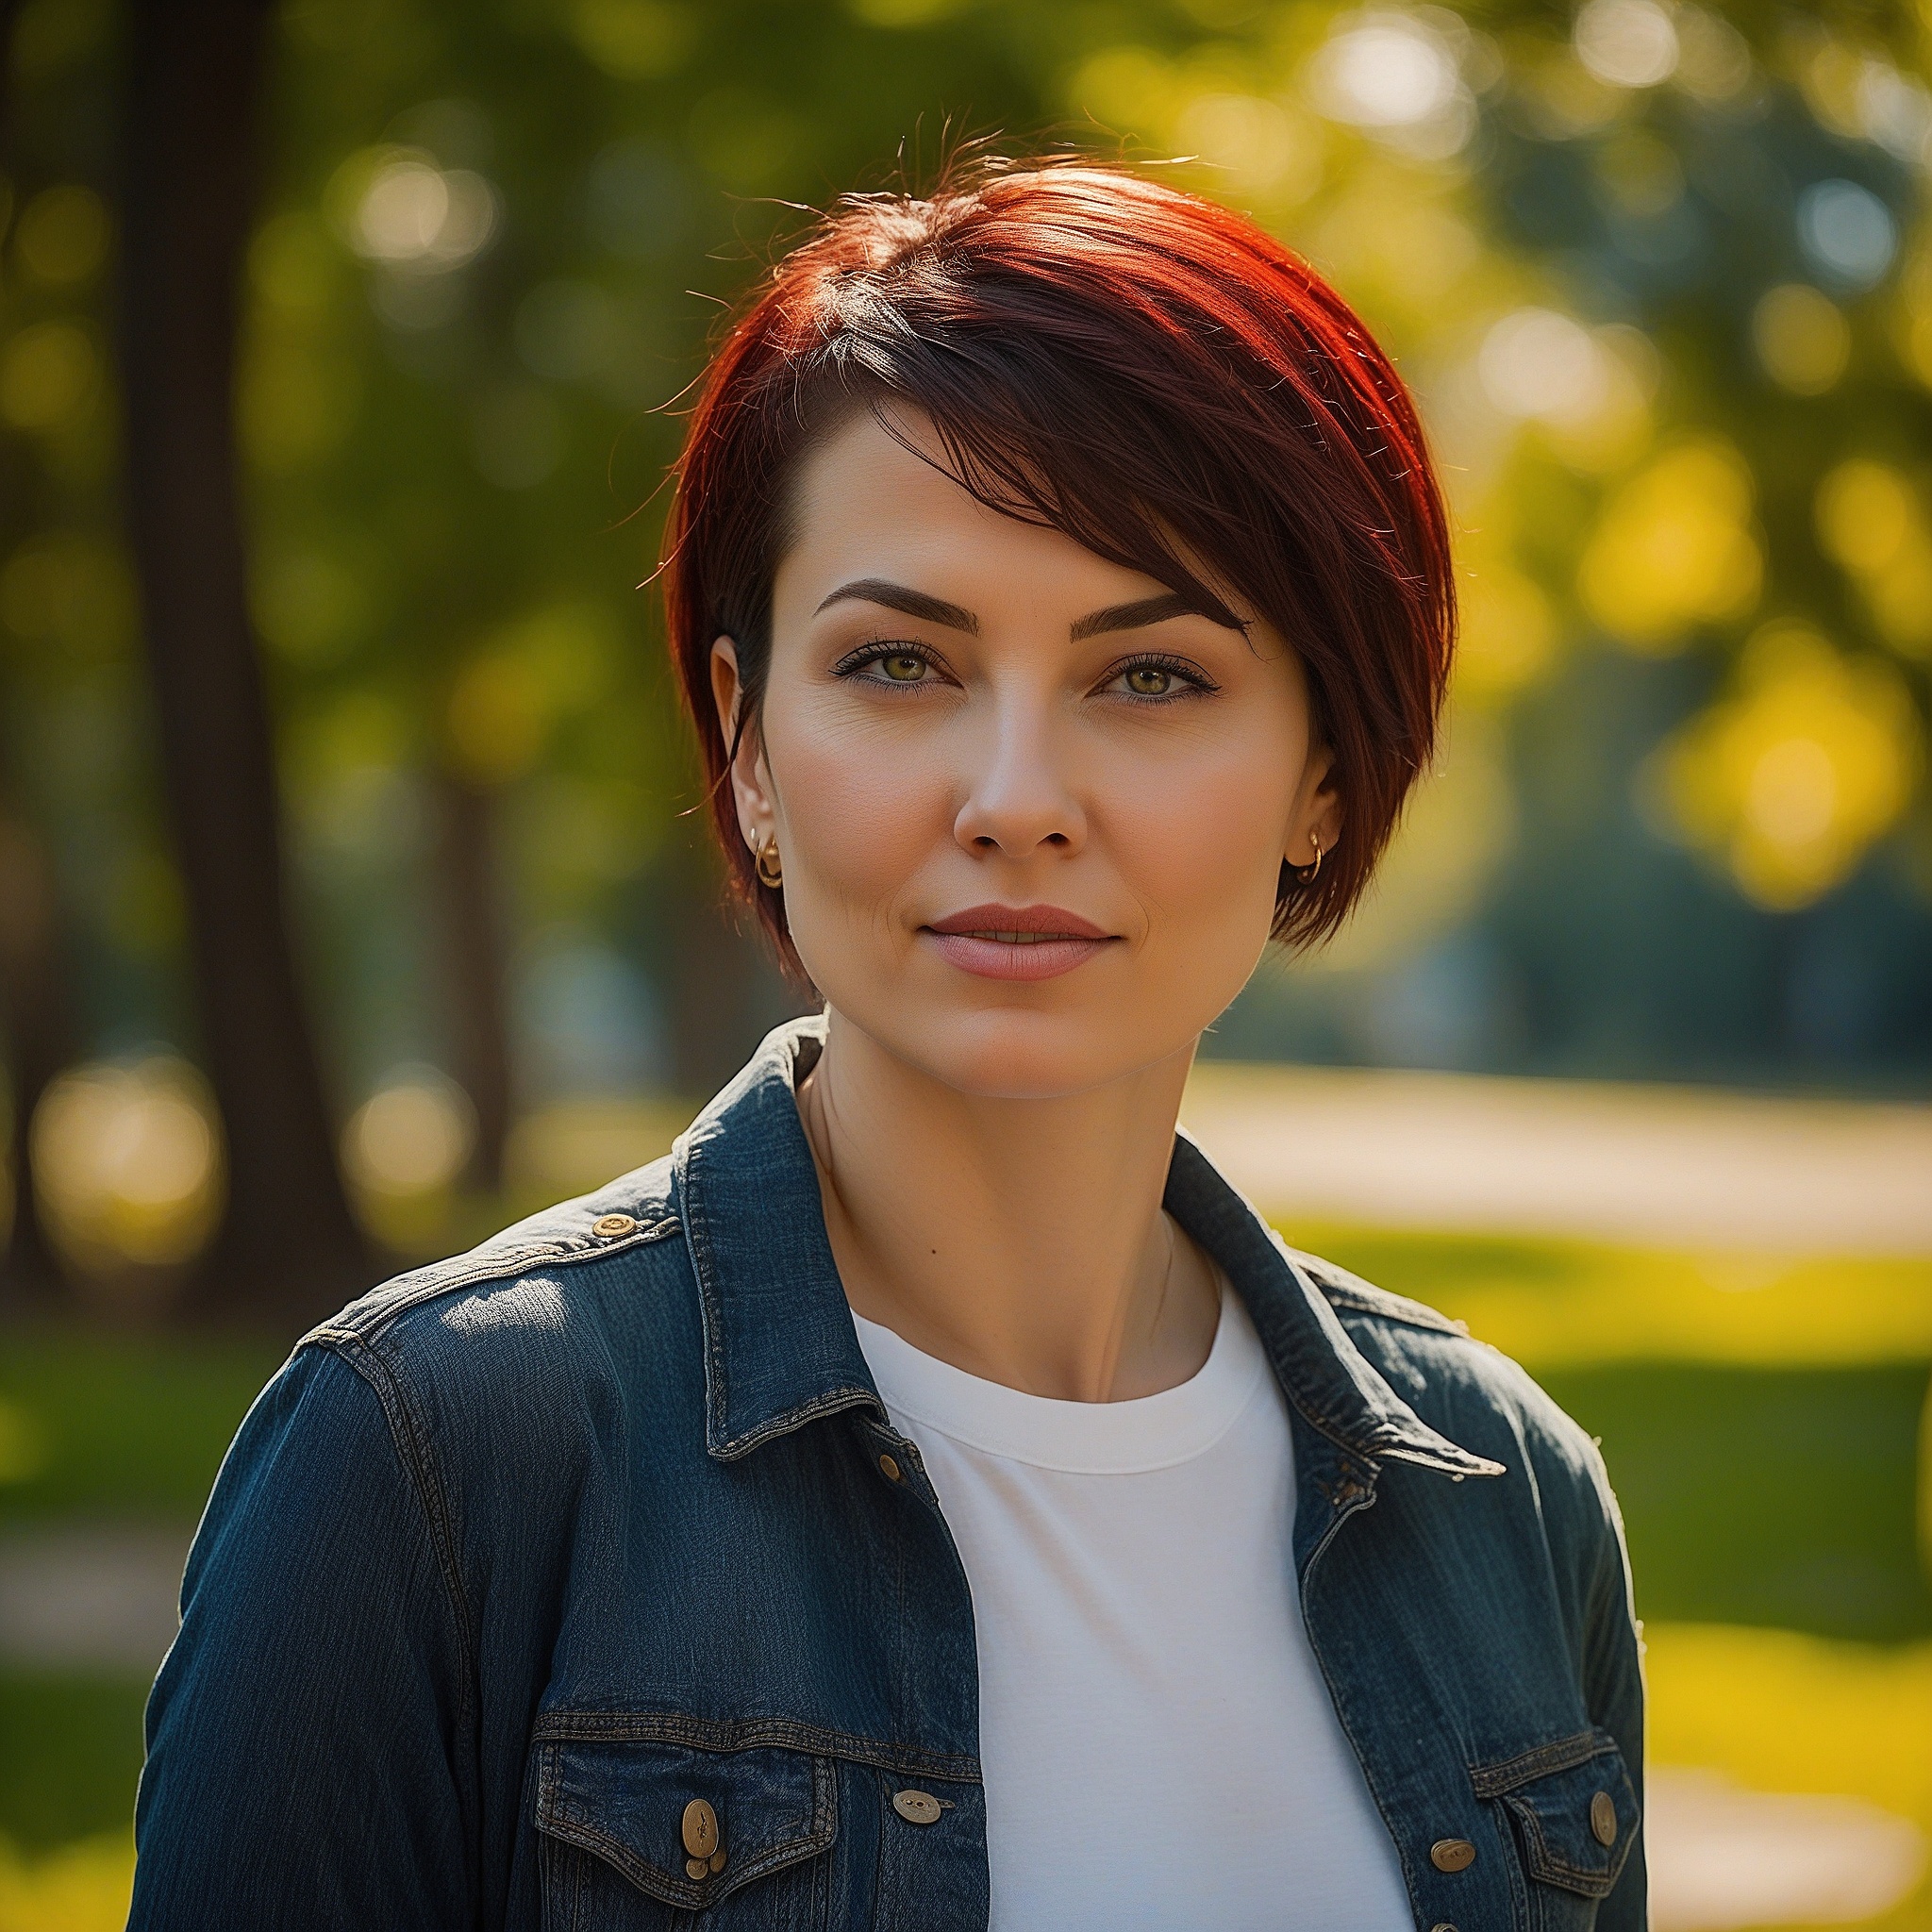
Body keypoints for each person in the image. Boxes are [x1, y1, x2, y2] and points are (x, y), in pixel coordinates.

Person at [129, 158, 1643, 1932]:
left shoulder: (1508, 1501)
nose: (1015, 802)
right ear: (749, 742)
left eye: (1149, 675)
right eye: (900, 667)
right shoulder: (430, 1463)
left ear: (1323, 770)